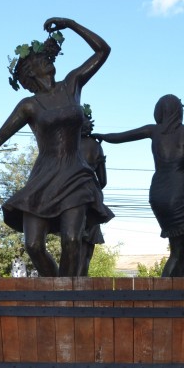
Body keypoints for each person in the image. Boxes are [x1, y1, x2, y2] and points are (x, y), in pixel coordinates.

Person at [0, 18, 113, 277]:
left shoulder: (72, 84)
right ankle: (54, 294)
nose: (47, 60)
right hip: (45, 177)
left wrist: (71, 24)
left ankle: (67, 300)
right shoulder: (29, 105)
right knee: (33, 245)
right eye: (39, 59)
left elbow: (103, 51)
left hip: (75, 174)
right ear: (30, 73)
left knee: (72, 239)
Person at [93, 94, 184, 278]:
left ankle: (179, 278)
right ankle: (164, 294)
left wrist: (102, 137)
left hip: (158, 191)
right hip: (177, 190)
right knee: (177, 253)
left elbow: (121, 137)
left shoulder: (153, 130)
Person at [78, 104, 107, 276]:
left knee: (72, 245)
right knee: (87, 250)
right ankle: (82, 286)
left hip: (68, 196)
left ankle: (71, 287)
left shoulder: (66, 145)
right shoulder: (95, 146)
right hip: (92, 196)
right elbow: (103, 180)